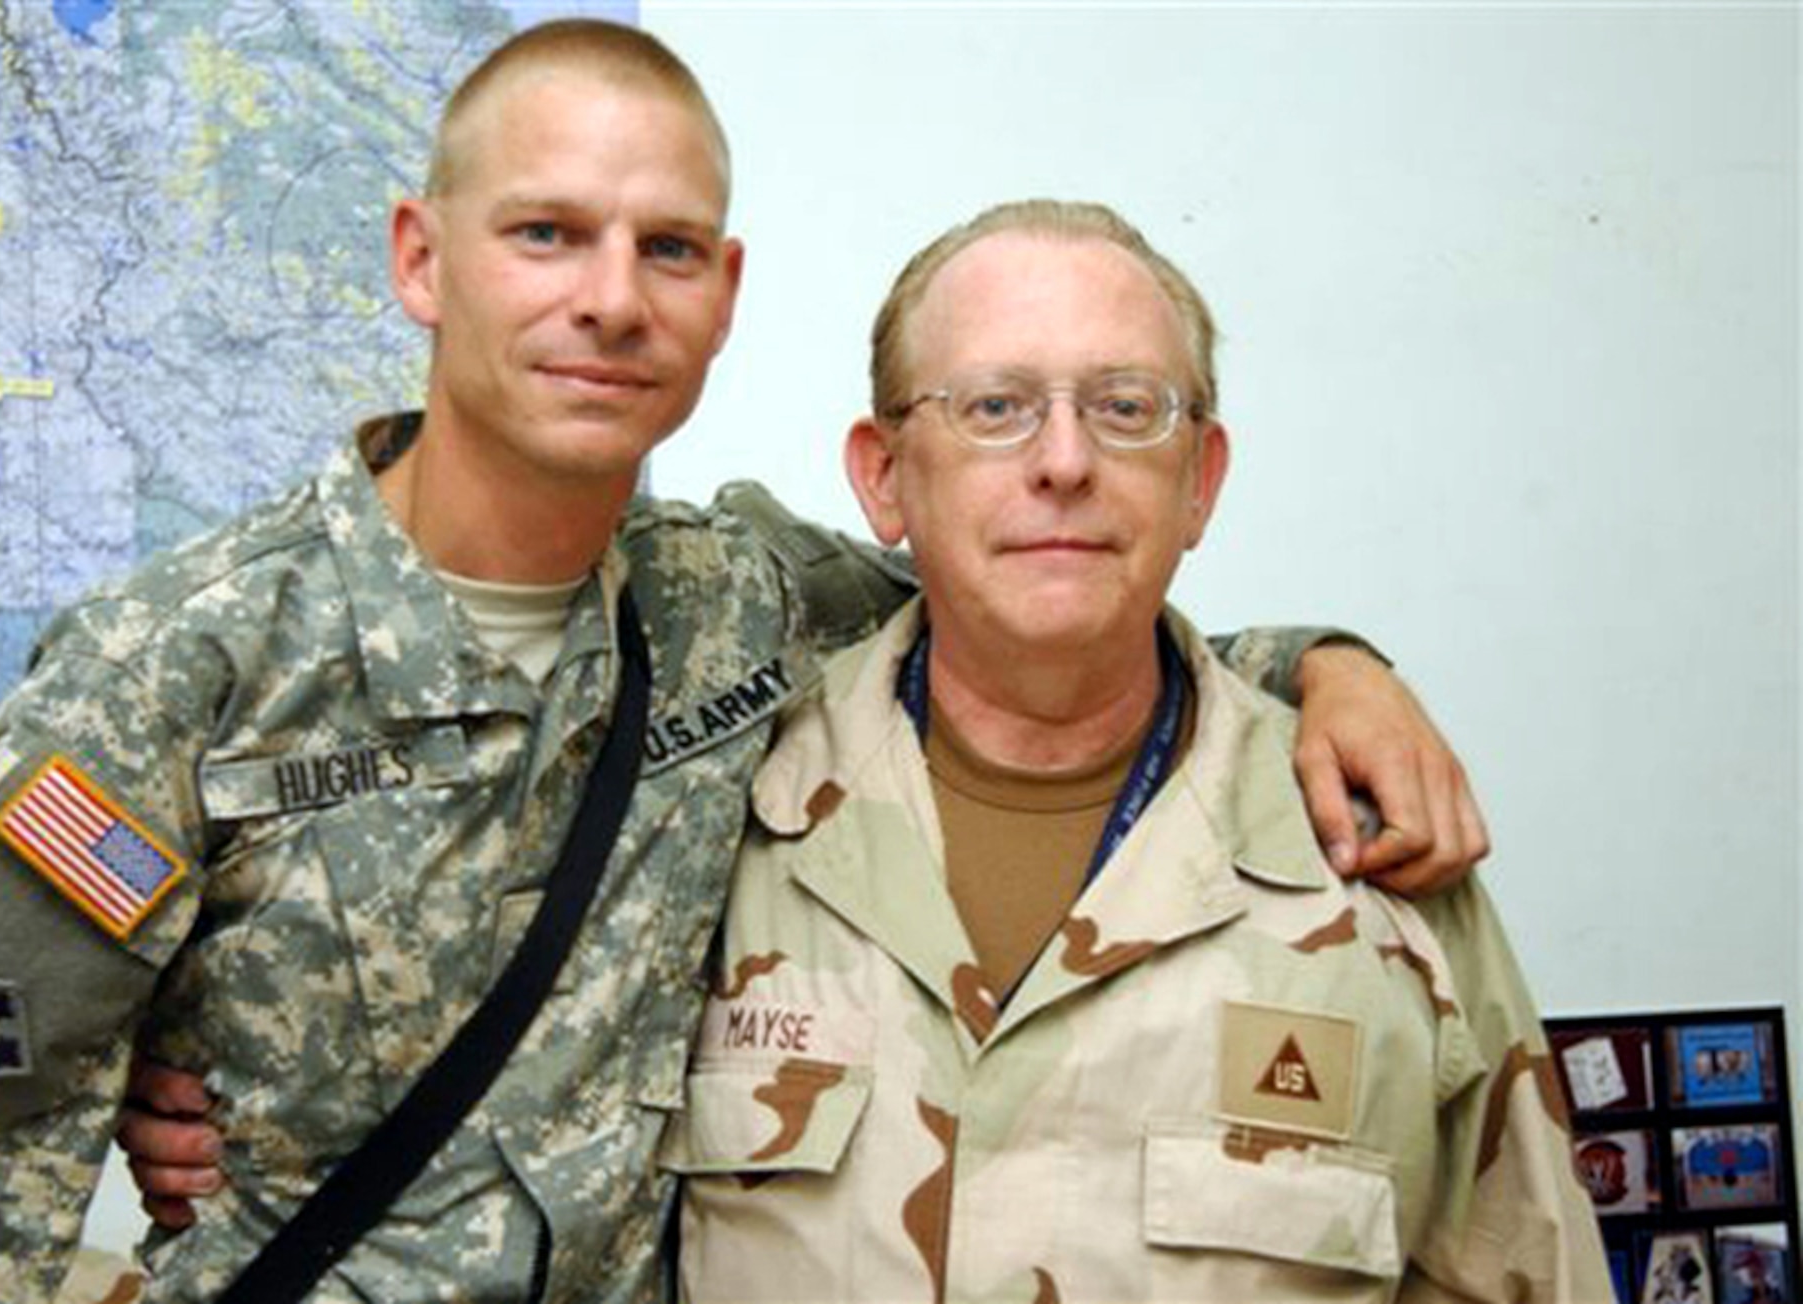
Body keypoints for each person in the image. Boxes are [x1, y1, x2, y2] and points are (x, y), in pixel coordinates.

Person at [0, 22, 1483, 1304]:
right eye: (547, 233)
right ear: (421, 258)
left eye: (667, 249)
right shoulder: (179, 667)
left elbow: (1023, 605)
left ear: (724, 292)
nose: (611, 299)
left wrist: (1329, 666)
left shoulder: (737, 602)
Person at [660, 200, 1609, 1301]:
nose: (1063, 460)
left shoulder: (1370, 862)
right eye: (994, 406)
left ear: (1199, 477)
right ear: (883, 475)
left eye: (1123, 407)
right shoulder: (713, 820)